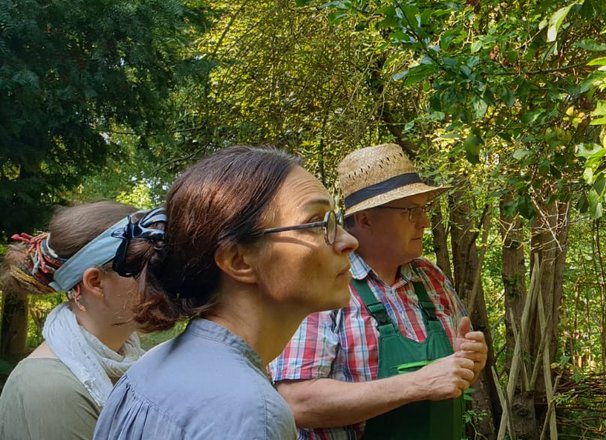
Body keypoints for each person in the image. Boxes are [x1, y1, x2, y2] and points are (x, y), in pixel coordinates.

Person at [93, 146, 359, 439]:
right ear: (239, 261)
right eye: (316, 223)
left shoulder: (149, 367)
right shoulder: (253, 413)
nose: (348, 241)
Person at [272, 143, 488, 440]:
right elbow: (296, 402)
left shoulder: (431, 278)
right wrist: (416, 385)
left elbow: (452, 377)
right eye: (411, 211)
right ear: (365, 219)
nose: (424, 222)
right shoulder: (324, 283)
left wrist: (470, 362)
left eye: (424, 209)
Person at [0, 201, 164, 439]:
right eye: (148, 270)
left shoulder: (131, 361)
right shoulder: (50, 389)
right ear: (95, 283)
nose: (166, 284)